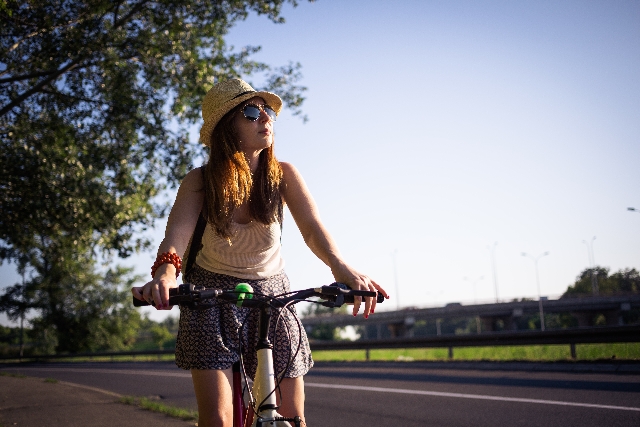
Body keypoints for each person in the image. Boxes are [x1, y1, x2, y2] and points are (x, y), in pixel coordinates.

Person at [132, 78, 388, 427]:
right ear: (226, 128)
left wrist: (342, 268)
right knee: (219, 420)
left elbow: (312, 229)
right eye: (252, 112)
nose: (265, 118)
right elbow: (175, 238)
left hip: (273, 291)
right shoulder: (200, 181)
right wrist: (165, 275)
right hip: (211, 294)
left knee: (291, 417)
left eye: (268, 112)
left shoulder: (283, 175)